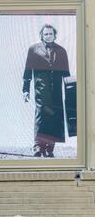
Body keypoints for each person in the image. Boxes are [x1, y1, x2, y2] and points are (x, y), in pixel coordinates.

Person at [22, 24, 71, 158]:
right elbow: (27, 71)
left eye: (50, 34)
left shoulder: (62, 51)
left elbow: (66, 74)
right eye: (46, 34)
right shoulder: (33, 50)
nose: (48, 36)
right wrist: (25, 90)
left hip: (56, 91)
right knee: (41, 117)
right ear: (42, 35)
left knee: (54, 117)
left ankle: (49, 148)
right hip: (41, 90)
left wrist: (70, 92)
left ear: (54, 35)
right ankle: (38, 147)